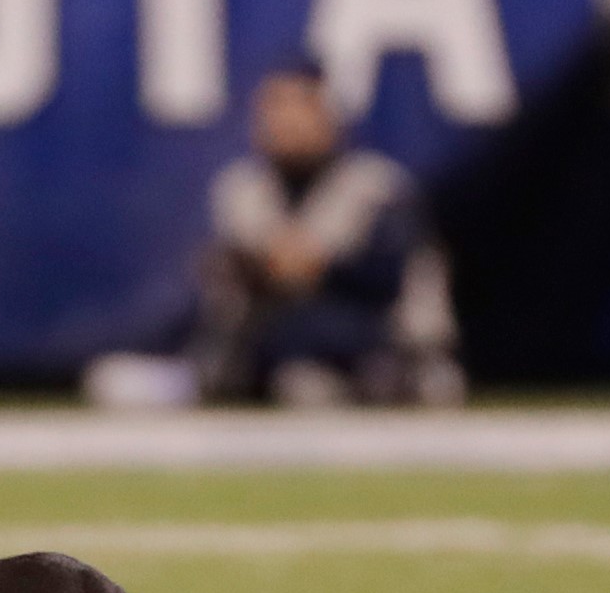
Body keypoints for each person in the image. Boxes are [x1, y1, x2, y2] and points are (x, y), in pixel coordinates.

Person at [189, 61, 464, 408]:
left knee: (327, 331)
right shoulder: (242, 189)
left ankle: (376, 380)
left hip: (378, 337)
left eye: (301, 105)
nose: (286, 121)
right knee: (249, 346)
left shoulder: (377, 186)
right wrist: (270, 265)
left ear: (331, 115)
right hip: (279, 339)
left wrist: (318, 266)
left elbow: (387, 278)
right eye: (275, 107)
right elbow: (227, 275)